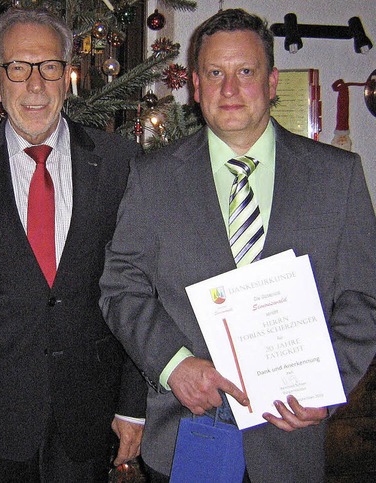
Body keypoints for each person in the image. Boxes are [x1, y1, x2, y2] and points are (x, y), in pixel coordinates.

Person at [99, 8, 376, 483]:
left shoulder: (338, 177)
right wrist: (175, 366)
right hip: (187, 437)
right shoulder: (152, 179)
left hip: (290, 440)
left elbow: (364, 297)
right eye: (215, 73)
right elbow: (121, 288)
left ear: (272, 83)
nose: (229, 89)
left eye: (245, 72)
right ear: (196, 86)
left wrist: (329, 387)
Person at [0, 8, 147, 482]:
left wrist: (133, 408)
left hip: (90, 415)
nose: (35, 85)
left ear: (67, 75)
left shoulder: (121, 163)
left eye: (49, 67)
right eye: (19, 67)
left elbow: (142, 287)